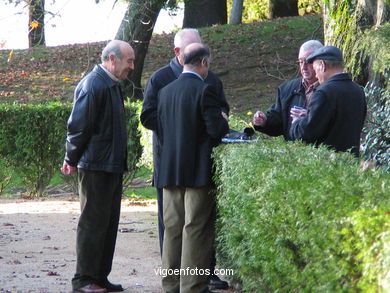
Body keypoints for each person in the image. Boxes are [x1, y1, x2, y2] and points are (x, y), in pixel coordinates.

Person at [141, 28, 229, 290]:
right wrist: (221, 121)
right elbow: (216, 130)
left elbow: (159, 124)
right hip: (197, 171)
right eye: (207, 65)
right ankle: (192, 286)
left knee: (172, 229)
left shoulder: (166, 91)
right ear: (203, 63)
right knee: (195, 229)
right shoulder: (205, 90)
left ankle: (170, 285)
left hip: (169, 169)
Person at [61, 40, 135, 293]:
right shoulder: (94, 84)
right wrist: (71, 158)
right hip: (95, 166)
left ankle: (100, 277)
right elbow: (78, 126)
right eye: (129, 61)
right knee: (92, 224)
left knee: (108, 224)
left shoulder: (111, 84)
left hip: (110, 166)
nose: (132, 67)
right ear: (112, 60)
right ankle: (83, 281)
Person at [289, 46, 367, 156]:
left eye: (316, 69)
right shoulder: (358, 90)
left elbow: (306, 134)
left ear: (323, 66)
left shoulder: (323, 93)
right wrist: (309, 116)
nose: (316, 75)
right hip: (351, 162)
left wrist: (296, 122)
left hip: (328, 163)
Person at [252, 40, 323, 139]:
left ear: (320, 62)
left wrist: (309, 118)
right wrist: (264, 121)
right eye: (301, 61)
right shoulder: (287, 89)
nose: (303, 67)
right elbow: (278, 123)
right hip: (294, 150)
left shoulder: (330, 89)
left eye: (307, 62)